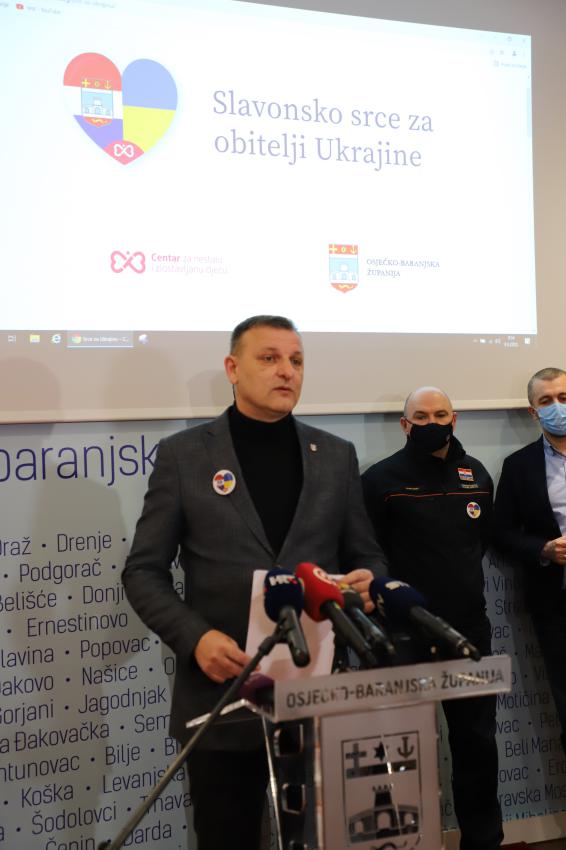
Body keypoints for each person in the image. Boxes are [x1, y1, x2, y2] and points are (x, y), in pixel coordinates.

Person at [122, 315, 386, 850]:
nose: (286, 371)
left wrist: (370, 582)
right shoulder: (184, 456)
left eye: (296, 360)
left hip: (315, 696)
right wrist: (196, 638)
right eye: (269, 358)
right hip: (223, 698)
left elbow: (366, 555)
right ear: (232, 369)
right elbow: (143, 571)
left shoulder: (336, 455)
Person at [361, 386, 503, 850]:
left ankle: (483, 842)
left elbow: (480, 543)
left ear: (454, 419)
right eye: (420, 416)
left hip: (468, 633)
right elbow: (367, 553)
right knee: (398, 751)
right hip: (403, 635)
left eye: (440, 414)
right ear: (405, 425)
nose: (431, 423)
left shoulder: (476, 474)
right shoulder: (380, 480)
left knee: (477, 747)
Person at [493, 366, 566, 753]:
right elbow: (501, 532)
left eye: (564, 398)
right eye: (547, 401)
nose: (557, 407)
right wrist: (544, 550)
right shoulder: (519, 466)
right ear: (533, 412)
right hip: (557, 604)